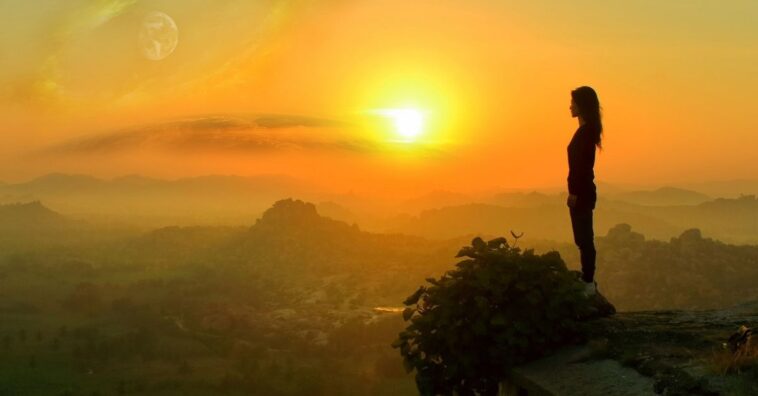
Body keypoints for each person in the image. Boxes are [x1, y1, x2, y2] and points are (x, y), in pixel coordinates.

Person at [567, 86, 603, 297]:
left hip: (582, 193)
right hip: (583, 192)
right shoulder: (586, 130)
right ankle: (586, 279)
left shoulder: (586, 132)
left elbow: (581, 167)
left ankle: (588, 282)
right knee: (582, 238)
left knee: (584, 239)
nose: (570, 106)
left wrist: (574, 193)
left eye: (573, 102)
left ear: (581, 105)